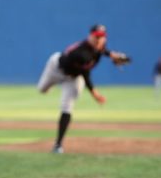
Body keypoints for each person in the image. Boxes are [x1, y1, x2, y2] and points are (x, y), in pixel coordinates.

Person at [37, 24, 129, 154]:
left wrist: (111, 54)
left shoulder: (99, 47)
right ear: (90, 36)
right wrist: (95, 94)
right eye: (96, 36)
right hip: (55, 69)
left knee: (67, 107)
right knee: (41, 89)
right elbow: (86, 75)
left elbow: (102, 50)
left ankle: (58, 145)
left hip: (72, 78)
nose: (99, 39)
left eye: (102, 37)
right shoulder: (81, 53)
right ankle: (50, 86)